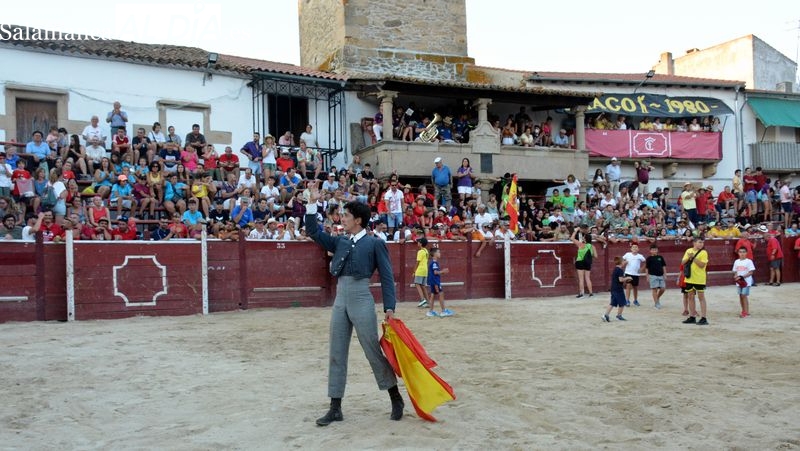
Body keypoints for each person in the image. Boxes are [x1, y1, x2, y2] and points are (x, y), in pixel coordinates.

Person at [304, 181, 404, 426]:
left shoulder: (375, 243)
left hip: (361, 298)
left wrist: (389, 308)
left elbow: (387, 277)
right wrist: (311, 204)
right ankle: (335, 407)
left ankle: (395, 396)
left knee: (371, 349)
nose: (343, 219)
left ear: (358, 220)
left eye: (346, 215)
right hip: (341, 298)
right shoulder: (340, 241)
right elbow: (314, 233)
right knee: (336, 352)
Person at [681, 237, 709, 325]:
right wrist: (689, 258)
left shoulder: (704, 252)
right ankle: (692, 316)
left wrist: (693, 258)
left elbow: (702, 265)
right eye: (699, 242)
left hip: (700, 278)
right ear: (694, 243)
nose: (701, 244)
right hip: (689, 278)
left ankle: (704, 317)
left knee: (701, 297)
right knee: (690, 297)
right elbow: (682, 262)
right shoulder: (688, 250)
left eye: (702, 243)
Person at [603, 256, 631, 322]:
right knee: (622, 302)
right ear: (621, 262)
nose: (625, 262)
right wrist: (627, 278)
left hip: (613, 288)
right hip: (618, 289)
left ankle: (606, 315)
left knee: (612, 303)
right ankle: (619, 315)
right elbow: (621, 280)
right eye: (624, 261)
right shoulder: (620, 270)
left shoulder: (615, 269)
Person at [427, 247, 453, 317]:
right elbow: (435, 272)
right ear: (435, 254)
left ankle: (430, 311)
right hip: (435, 281)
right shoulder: (435, 263)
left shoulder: (432, 262)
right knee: (441, 294)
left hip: (432, 281)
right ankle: (443, 311)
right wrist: (443, 271)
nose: (440, 253)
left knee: (432, 295)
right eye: (438, 252)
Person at [571, 226, 595, 298]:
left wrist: (576, 231)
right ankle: (591, 293)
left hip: (580, 262)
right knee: (587, 277)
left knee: (581, 278)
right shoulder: (591, 246)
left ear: (585, 239)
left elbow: (572, 238)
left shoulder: (580, 244)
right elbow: (594, 255)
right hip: (588, 262)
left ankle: (582, 293)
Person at [732, 247, 755, 318]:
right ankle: (744, 311)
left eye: (743, 252)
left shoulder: (749, 261)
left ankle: (746, 312)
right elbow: (735, 271)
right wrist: (736, 277)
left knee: (743, 296)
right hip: (739, 282)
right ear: (738, 253)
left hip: (746, 282)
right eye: (740, 252)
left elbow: (751, 272)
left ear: (746, 253)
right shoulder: (736, 261)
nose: (742, 253)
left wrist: (742, 277)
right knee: (740, 296)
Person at [644, 244, 667, 309]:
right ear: (650, 251)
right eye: (653, 250)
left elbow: (664, 266)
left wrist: (665, 274)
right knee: (655, 289)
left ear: (657, 250)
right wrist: (647, 276)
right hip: (652, 275)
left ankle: (657, 298)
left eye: (655, 250)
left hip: (660, 275)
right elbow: (647, 268)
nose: (654, 251)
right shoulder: (649, 258)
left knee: (663, 288)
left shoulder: (660, 257)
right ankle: (656, 303)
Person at [414, 237, 431, 310]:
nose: (417, 243)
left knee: (417, 284)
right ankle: (428, 302)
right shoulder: (426, 251)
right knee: (423, 286)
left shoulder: (420, 252)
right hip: (425, 270)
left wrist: (414, 271)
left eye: (418, 242)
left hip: (420, 270)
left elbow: (417, 262)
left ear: (421, 244)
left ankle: (422, 299)